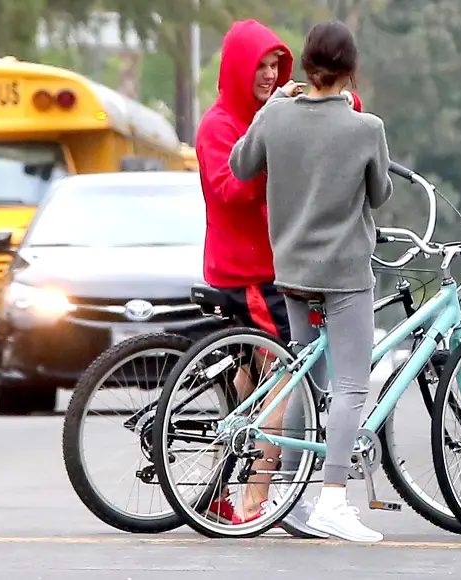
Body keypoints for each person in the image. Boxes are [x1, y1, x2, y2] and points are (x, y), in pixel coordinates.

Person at [195, 19, 362, 537]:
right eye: (259, 67)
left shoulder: (275, 113)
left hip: (275, 265)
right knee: (286, 377)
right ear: (237, 70)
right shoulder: (220, 124)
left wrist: (320, 106)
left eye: (276, 66)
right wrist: (272, 144)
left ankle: (222, 491)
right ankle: (258, 497)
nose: (268, 76)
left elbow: (337, 121)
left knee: (249, 384)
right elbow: (228, 188)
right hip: (249, 271)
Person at [229, 21, 394, 543]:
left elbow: (240, 165)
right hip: (345, 275)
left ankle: (295, 495)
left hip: (292, 271)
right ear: (350, 70)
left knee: (306, 374)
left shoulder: (277, 116)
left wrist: (269, 108)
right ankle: (332, 498)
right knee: (349, 384)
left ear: (303, 67)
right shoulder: (366, 128)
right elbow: (380, 193)